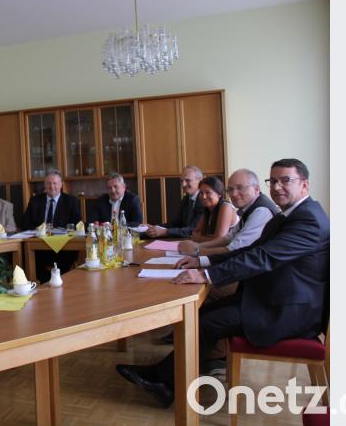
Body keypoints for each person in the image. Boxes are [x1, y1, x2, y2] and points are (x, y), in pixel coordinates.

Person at [116, 159, 329, 408]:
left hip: (288, 312)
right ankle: (165, 380)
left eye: (286, 180)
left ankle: (164, 383)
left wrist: (207, 275)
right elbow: (250, 249)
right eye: (274, 181)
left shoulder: (308, 220)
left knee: (206, 322)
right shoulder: (286, 216)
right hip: (270, 298)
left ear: (304, 185)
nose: (278, 187)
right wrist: (202, 262)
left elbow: (261, 258)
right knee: (202, 311)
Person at [177, 169, 278, 258]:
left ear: (256, 189)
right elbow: (228, 238)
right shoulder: (247, 208)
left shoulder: (260, 211)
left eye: (240, 188)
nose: (233, 194)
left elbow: (234, 249)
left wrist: (197, 251)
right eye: (230, 189)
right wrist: (198, 246)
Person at [21, 170, 81, 283]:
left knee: (65, 261)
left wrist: (55, 229)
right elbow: (24, 223)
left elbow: (76, 224)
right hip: (39, 246)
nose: (51, 186)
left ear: (61, 185)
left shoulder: (71, 201)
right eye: (48, 183)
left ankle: (60, 282)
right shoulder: (35, 201)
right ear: (44, 185)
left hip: (63, 247)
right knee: (30, 258)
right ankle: (42, 284)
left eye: (55, 183)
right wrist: (41, 229)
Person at [144, 165, 205, 238]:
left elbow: (194, 230)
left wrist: (165, 232)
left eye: (188, 180)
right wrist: (154, 228)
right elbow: (175, 224)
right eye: (181, 181)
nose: (183, 184)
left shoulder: (204, 200)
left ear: (200, 181)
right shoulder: (186, 199)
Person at [189, 176, 238, 241]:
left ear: (219, 193)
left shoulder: (226, 207)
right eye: (201, 193)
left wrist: (199, 238)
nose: (204, 196)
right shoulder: (208, 209)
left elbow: (219, 240)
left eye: (208, 192)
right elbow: (195, 232)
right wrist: (206, 237)